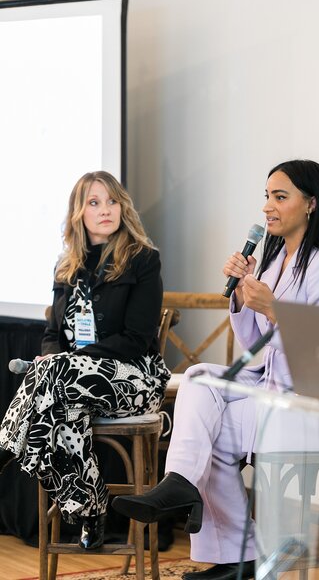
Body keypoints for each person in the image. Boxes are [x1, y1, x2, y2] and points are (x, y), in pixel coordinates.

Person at [112, 159, 319, 580]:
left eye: (280, 197)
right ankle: (191, 496)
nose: (267, 207)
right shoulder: (275, 263)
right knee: (199, 377)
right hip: (273, 390)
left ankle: (221, 535)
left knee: (214, 433)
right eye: (267, 196)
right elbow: (255, 344)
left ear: (311, 204)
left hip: (312, 405)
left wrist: (274, 308)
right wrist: (244, 300)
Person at [0, 171, 170, 550]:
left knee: (55, 377)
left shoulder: (143, 260)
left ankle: (9, 446)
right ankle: (92, 508)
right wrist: (53, 360)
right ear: (79, 213)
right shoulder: (66, 267)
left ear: (122, 207)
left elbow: (137, 339)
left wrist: (64, 362)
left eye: (111, 201)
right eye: (94, 202)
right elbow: (52, 335)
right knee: (63, 404)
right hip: (70, 382)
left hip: (133, 379)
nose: (105, 210)